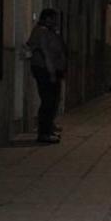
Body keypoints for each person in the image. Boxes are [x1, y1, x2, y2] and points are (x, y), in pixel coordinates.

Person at [26, 9, 66, 143]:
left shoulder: (49, 31)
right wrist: (51, 72)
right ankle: (44, 133)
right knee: (48, 101)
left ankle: (48, 129)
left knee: (52, 101)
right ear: (47, 19)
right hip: (45, 70)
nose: (55, 22)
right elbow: (46, 52)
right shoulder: (41, 32)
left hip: (49, 69)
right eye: (53, 19)